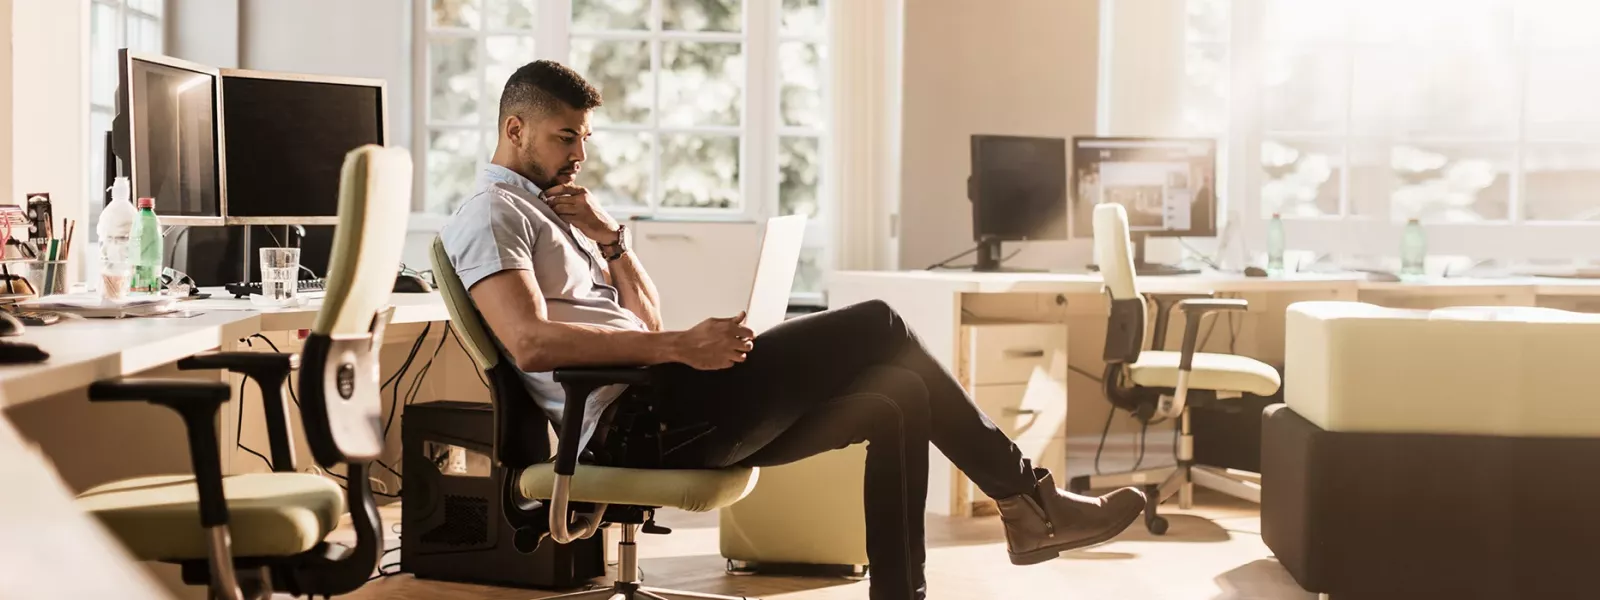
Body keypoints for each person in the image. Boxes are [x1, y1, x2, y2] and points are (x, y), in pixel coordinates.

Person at [441, 60, 1146, 600]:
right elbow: (530, 342)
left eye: (585, 138)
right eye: (566, 137)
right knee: (880, 323)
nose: (580, 154)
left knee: (898, 395)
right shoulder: (492, 214)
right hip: (632, 421)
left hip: (663, 400)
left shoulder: (561, 213)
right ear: (515, 129)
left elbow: (646, 317)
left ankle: (927, 581)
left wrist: (611, 238)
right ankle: (1033, 503)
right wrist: (681, 349)